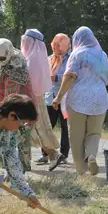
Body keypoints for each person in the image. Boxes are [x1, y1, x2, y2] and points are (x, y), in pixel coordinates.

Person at [53, 26, 108, 175]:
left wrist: (58, 97)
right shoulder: (102, 55)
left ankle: (81, 171)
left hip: (78, 99)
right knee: (94, 133)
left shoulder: (77, 54)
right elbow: (107, 77)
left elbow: (69, 76)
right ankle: (91, 155)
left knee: (77, 137)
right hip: (99, 98)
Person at [21, 29, 65, 171]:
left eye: (26, 41)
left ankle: (27, 162)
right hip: (37, 98)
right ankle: (52, 154)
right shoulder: (39, 57)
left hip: (30, 99)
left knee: (30, 130)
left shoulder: (32, 60)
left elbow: (26, 82)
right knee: (36, 130)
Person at [0, 38, 34, 172]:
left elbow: (11, 97)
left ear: (8, 54)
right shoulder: (6, 61)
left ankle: (16, 171)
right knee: (9, 140)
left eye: (1, 57)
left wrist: (2, 116)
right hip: (7, 107)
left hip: (17, 111)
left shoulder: (16, 68)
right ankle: (13, 171)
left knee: (13, 141)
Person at [42, 33, 71, 165]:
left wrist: (57, 78)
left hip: (65, 98)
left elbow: (71, 76)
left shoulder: (71, 59)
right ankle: (45, 154)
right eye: (54, 45)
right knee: (47, 127)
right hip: (49, 97)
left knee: (65, 128)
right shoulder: (48, 59)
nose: (56, 48)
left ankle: (63, 156)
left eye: (58, 46)